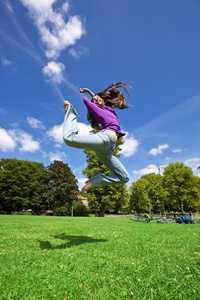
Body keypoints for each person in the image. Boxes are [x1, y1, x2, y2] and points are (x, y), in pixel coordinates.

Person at [63, 82, 131, 193]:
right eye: (95, 100)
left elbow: (99, 100)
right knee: (69, 139)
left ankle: (96, 179)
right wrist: (90, 96)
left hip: (107, 150)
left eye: (100, 98)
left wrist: (92, 93)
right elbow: (86, 100)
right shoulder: (96, 110)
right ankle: (70, 112)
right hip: (105, 139)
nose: (98, 99)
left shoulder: (108, 109)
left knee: (124, 177)